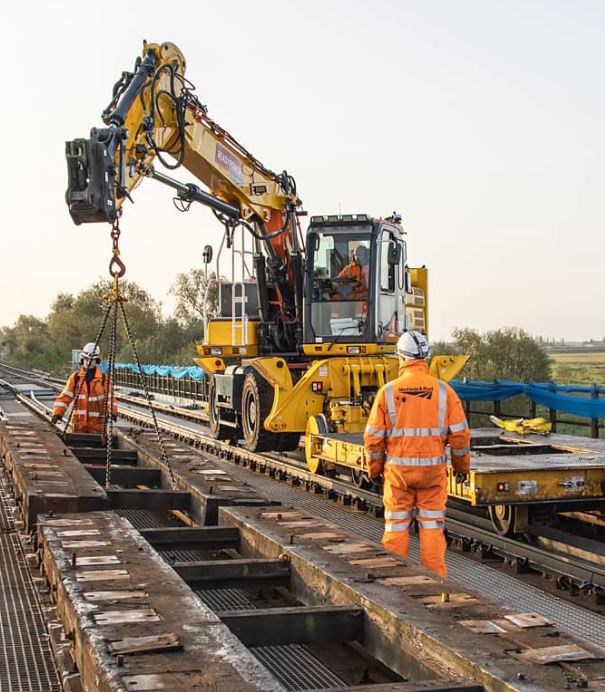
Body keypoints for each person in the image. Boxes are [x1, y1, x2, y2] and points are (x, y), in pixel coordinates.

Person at [363, 331, 470, 578]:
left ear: (401, 357)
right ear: (425, 357)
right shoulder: (444, 392)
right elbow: (461, 437)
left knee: (396, 526)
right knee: (432, 527)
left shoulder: (388, 392)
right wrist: (461, 468)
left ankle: (394, 580)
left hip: (399, 476)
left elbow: (373, 439)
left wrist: (374, 471)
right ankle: (435, 582)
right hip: (432, 475)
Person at [52, 342, 117, 434]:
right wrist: (57, 413)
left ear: (97, 360)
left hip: (97, 429)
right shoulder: (75, 378)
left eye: (92, 360)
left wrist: (112, 412)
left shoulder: (104, 379)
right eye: (86, 359)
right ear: (82, 359)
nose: (89, 362)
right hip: (78, 427)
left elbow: (110, 399)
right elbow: (65, 398)